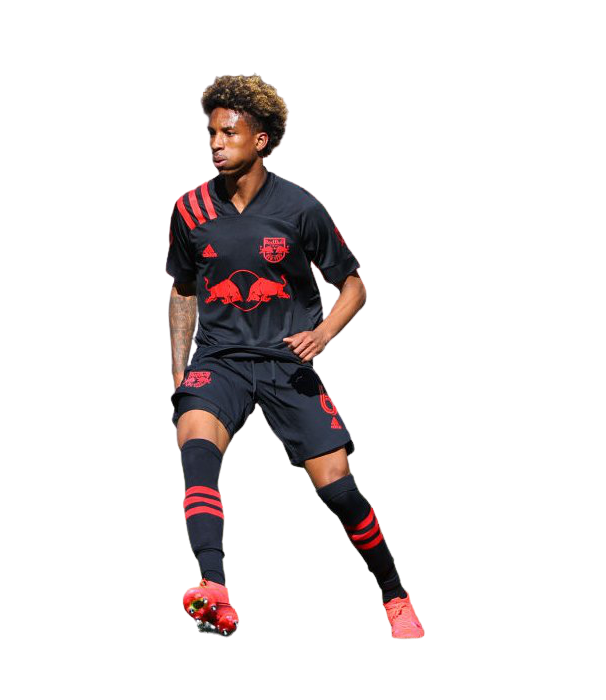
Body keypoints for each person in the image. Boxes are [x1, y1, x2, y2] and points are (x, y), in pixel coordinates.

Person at [167, 73, 424, 640]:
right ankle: (214, 587)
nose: (215, 143)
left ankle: (394, 594)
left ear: (261, 140)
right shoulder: (189, 208)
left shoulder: (301, 207)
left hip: (285, 361)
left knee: (339, 488)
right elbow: (182, 290)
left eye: (228, 133)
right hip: (219, 358)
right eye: (210, 132)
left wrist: (324, 334)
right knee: (196, 448)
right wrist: (182, 373)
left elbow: (353, 284)